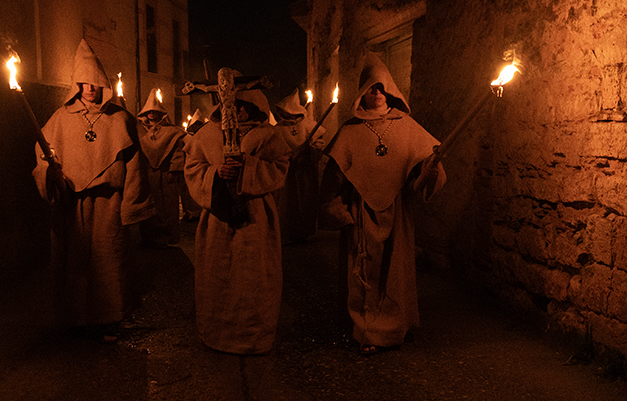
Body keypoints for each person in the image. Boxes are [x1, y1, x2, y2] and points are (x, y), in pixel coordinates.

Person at [319, 52, 446, 355]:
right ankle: (365, 328)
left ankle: (395, 326)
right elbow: (333, 178)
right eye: (370, 88)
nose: (376, 93)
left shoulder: (407, 126)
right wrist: (336, 210)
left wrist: (430, 169)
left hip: (398, 213)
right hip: (360, 214)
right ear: (361, 93)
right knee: (364, 272)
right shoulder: (350, 130)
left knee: (395, 272)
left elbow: (425, 171)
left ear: (389, 90)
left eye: (380, 87)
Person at [32, 38, 155, 342]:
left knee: (108, 260)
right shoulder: (60, 119)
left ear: (104, 84)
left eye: (94, 82)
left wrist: (131, 206)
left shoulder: (120, 119)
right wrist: (51, 172)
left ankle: (108, 319)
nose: (89, 88)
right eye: (83, 82)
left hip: (108, 204)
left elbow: (135, 165)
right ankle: (74, 320)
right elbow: (42, 155)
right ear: (76, 85)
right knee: (73, 263)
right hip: (71, 206)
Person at [183, 86, 290, 354]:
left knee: (253, 278)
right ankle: (217, 333)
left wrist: (248, 168)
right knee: (218, 274)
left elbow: (280, 166)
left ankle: (253, 335)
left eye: (245, 106)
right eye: (234, 106)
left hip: (256, 217)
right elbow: (193, 167)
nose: (238, 111)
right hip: (217, 218)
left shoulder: (268, 135)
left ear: (256, 108)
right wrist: (216, 173)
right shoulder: (207, 134)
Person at [272, 89, 327, 244]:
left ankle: (303, 232)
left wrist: (310, 150)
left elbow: (319, 146)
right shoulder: (277, 128)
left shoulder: (309, 125)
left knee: (305, 200)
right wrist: (286, 156)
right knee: (288, 202)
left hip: (305, 171)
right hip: (287, 172)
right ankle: (288, 231)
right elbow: (274, 148)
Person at [137, 88, 186, 246]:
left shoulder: (172, 132)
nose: (152, 113)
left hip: (166, 174)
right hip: (147, 175)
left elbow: (178, 152)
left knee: (168, 205)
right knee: (149, 205)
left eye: (155, 110)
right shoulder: (140, 132)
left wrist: (174, 170)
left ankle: (169, 237)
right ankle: (150, 237)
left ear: (161, 113)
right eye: (149, 111)